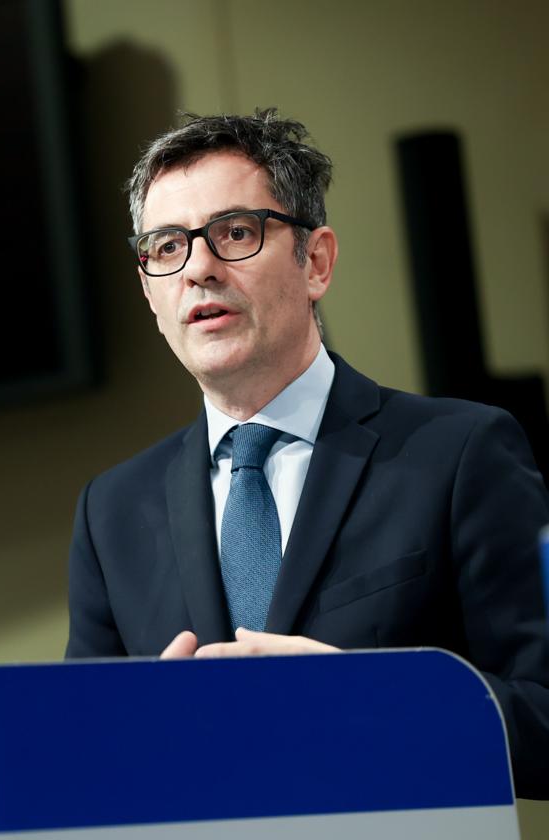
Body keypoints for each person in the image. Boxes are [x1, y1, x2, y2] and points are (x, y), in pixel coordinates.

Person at [65, 109, 549, 798]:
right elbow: (79, 763)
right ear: (149, 290)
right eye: (167, 246)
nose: (198, 268)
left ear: (315, 261)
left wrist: (373, 699)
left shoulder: (459, 453)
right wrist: (129, 732)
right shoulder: (110, 513)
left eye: (235, 233)